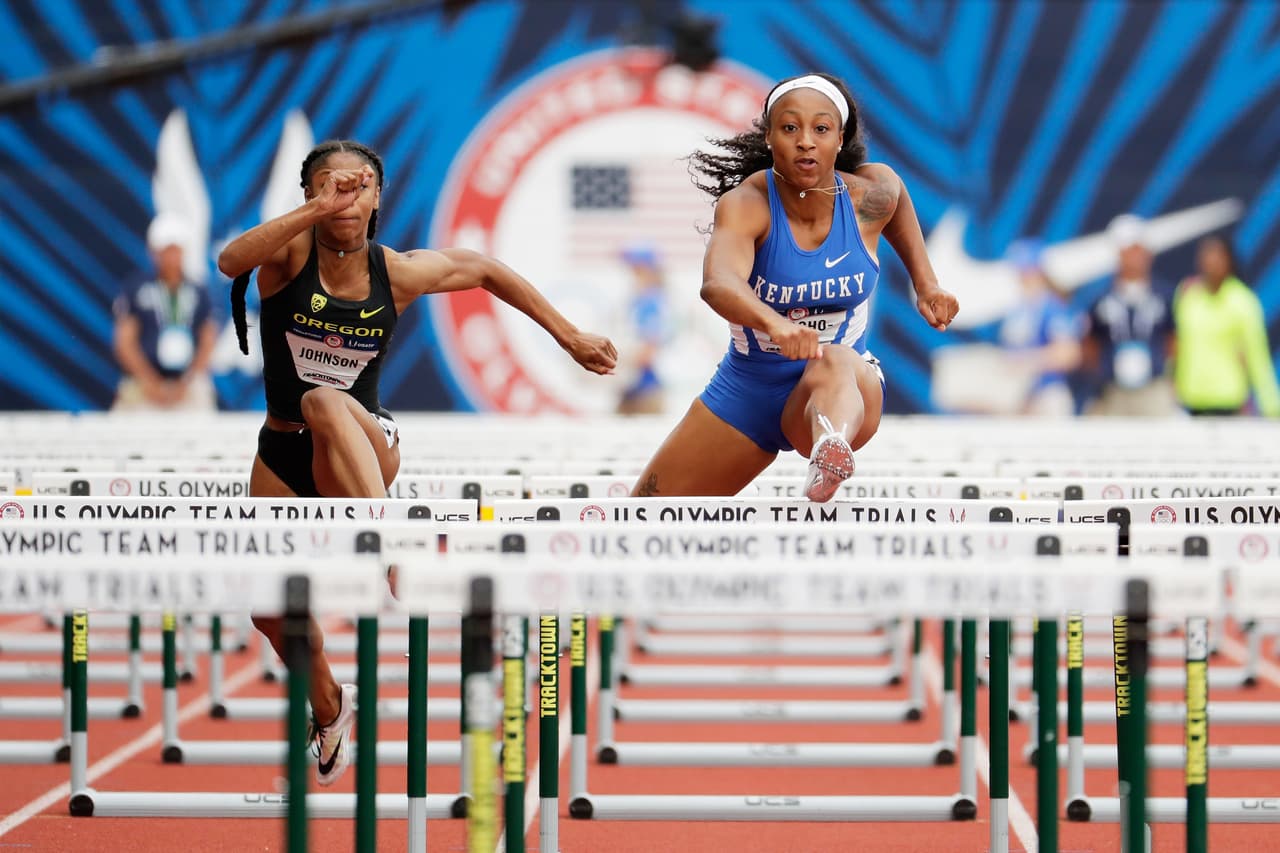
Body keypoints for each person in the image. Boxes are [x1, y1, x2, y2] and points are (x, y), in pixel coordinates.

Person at [216, 139, 616, 785]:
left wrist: (568, 334)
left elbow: (486, 269)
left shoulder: (396, 272)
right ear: (311, 195)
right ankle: (330, 705)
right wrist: (314, 210)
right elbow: (228, 259)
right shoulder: (287, 257)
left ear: (378, 196)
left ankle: (394, 544)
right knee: (267, 605)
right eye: (328, 186)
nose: (345, 196)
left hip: (366, 442)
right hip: (282, 450)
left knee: (325, 399)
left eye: (358, 186)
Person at [630, 73, 958, 502]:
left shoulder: (871, 195)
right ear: (768, 136)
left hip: (844, 391)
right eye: (790, 128)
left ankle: (829, 453)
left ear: (840, 139)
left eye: (820, 129)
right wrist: (775, 324)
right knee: (643, 513)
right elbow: (718, 283)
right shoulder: (747, 205)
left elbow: (896, 206)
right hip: (749, 391)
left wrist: (926, 283)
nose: (805, 141)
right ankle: (825, 448)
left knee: (835, 359)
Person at [111, 213, 219, 411]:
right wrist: (148, 381)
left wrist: (187, 381)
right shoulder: (136, 288)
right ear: (153, 252)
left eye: (175, 250)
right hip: (143, 382)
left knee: (203, 400)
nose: (170, 257)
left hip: (187, 384)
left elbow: (208, 340)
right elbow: (125, 341)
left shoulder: (198, 291)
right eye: (165, 251)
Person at [1172, 234, 1280, 417]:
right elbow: (1177, 347)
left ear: (1229, 260)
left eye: (1217, 257)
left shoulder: (1243, 301)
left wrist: (1272, 408)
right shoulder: (1187, 295)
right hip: (1190, 402)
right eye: (1207, 256)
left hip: (1229, 401)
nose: (1211, 263)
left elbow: (1257, 356)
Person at [1081, 214, 1176, 416]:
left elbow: (1173, 340)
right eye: (1127, 250)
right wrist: (1103, 373)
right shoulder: (1101, 298)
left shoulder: (1164, 295)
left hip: (1153, 389)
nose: (1133, 257)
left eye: (1137, 249)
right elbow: (1090, 343)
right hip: (1114, 391)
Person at [997, 239, 1081, 417]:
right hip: (1019, 396)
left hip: (1048, 395)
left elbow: (1068, 354)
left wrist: (1026, 362)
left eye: (1026, 270)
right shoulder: (1016, 309)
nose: (1021, 275)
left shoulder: (1052, 308)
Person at [615, 243, 669, 415]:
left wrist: (618, 365)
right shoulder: (639, 299)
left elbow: (648, 350)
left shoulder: (650, 301)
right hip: (634, 387)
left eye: (635, 268)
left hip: (645, 391)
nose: (631, 273)